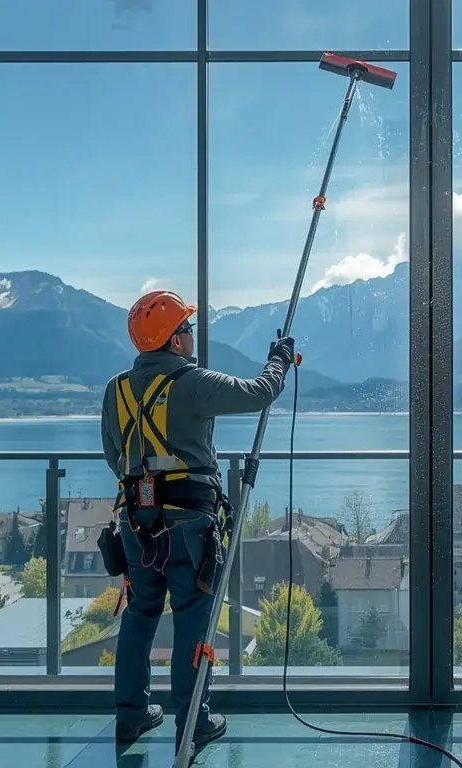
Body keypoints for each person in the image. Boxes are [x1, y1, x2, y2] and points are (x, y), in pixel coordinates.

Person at [100, 289, 293, 751]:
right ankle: (194, 723)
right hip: (189, 522)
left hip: (136, 520)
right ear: (173, 340)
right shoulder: (190, 382)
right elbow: (260, 392)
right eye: (186, 329)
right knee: (191, 619)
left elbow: (115, 456)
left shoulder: (116, 390)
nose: (191, 336)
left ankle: (129, 716)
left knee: (140, 615)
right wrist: (280, 360)